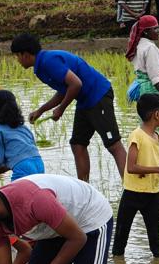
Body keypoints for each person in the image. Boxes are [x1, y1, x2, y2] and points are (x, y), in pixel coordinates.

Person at [10, 33, 126, 182]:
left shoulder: (48, 61)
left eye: (17, 56)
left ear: (25, 54)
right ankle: (85, 189)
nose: (17, 61)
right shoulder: (41, 66)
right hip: (85, 100)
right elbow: (64, 89)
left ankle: (131, 188)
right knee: (78, 144)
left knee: (113, 145)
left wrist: (61, 109)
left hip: (98, 94)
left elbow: (76, 84)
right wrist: (41, 110)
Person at [114, 93, 159, 258]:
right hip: (132, 193)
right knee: (121, 236)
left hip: (153, 194)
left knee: (156, 240)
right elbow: (131, 167)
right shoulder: (137, 136)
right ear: (156, 115)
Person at [0, 90, 46, 181]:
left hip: (23, 167)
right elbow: (23, 154)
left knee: (14, 195)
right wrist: (2, 169)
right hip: (39, 164)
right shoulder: (23, 127)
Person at [127, 15, 159, 102]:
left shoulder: (139, 45)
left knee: (148, 115)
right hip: (153, 91)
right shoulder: (150, 48)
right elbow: (155, 79)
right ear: (145, 31)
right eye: (155, 29)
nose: (158, 31)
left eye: (158, 28)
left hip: (143, 91)